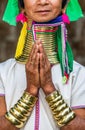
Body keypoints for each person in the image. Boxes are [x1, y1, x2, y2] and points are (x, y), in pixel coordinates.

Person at [0, 0, 85, 130]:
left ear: (64, 6)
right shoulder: (3, 73)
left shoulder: (79, 74)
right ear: (21, 7)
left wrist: (48, 87)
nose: (43, 1)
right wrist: (31, 90)